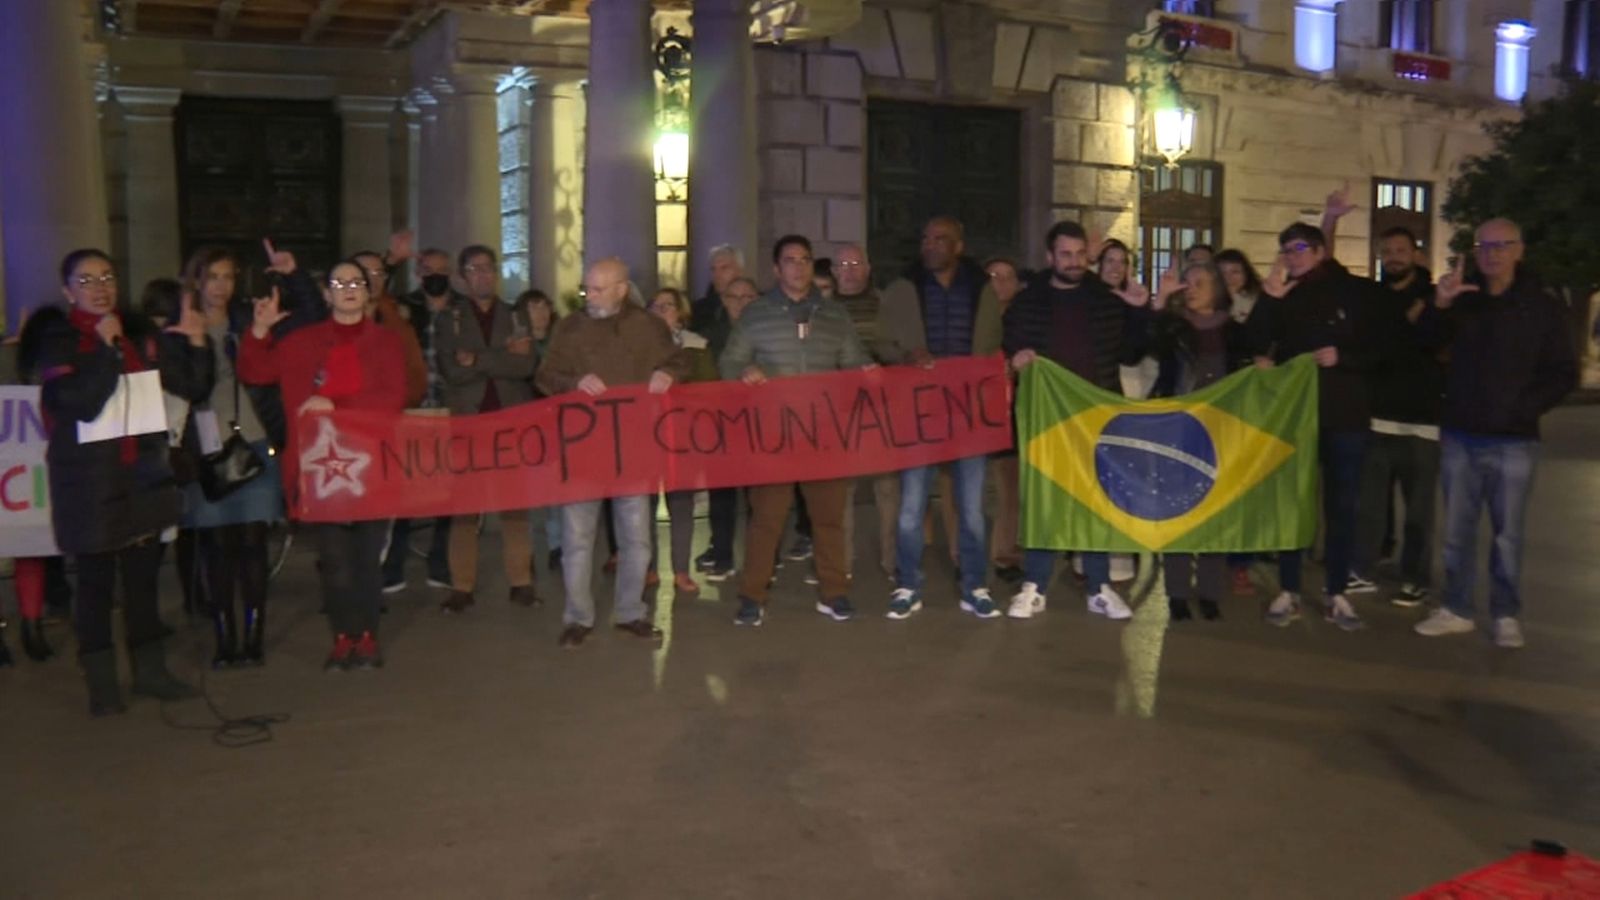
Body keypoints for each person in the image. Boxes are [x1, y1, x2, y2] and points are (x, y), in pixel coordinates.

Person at [29, 248, 213, 715]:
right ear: (69, 290)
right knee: (93, 588)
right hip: (88, 485)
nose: (99, 287)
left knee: (143, 583)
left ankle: (151, 673)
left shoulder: (140, 335)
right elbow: (81, 401)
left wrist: (196, 343)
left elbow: (192, 387)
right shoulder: (58, 339)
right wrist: (110, 351)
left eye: (107, 277)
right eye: (86, 280)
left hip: (143, 479)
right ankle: (103, 685)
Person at [1413, 219, 1578, 648]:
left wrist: (1523, 407)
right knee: (1456, 532)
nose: (1493, 253)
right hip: (1462, 434)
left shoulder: (1542, 308)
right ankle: (1457, 607)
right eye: (1485, 245)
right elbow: (1426, 345)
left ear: (1519, 250)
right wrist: (1441, 305)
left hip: (1514, 439)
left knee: (1507, 535)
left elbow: (1564, 372)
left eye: (1502, 245)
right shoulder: (1465, 299)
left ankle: (1506, 613)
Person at [239, 258, 408, 670]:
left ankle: (366, 636)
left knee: (366, 558)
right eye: (339, 282)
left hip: (371, 466)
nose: (349, 288)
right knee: (334, 561)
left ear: (368, 292)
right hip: (320, 470)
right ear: (327, 293)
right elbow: (256, 371)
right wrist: (259, 331)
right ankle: (342, 636)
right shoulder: (302, 341)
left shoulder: (385, 342)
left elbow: (394, 397)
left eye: (357, 282)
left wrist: (338, 404)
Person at [1004, 221, 1155, 621]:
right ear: (1050, 257)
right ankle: (1034, 585)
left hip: (1098, 417)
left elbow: (1130, 354)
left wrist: (1140, 314)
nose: (1074, 262)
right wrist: (1016, 358)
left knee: (1096, 501)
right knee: (1043, 500)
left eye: (1079, 255)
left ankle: (1099, 586)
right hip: (1047, 419)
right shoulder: (1028, 302)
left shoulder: (1105, 300)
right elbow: (1011, 344)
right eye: (1066, 254)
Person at [721, 235, 874, 626]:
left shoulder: (834, 316)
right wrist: (744, 371)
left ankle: (834, 592)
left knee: (828, 519)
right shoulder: (756, 315)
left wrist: (867, 371)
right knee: (766, 520)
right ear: (776, 269)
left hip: (823, 434)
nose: (799, 267)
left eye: (805, 260)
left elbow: (854, 361)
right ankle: (752, 596)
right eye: (790, 260)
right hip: (773, 436)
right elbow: (729, 361)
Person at [537, 258, 688, 648]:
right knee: (577, 538)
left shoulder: (648, 327)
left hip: (633, 449)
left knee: (636, 536)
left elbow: (680, 360)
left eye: (600, 289)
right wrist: (573, 381)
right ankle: (577, 616)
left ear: (623, 289)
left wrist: (668, 374)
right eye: (588, 289)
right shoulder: (569, 328)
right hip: (582, 449)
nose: (591, 296)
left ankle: (631, 611)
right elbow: (544, 376)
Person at [1252, 223, 1384, 632]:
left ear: (1321, 250)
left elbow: (1382, 351)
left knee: (1342, 507)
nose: (1293, 256)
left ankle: (1336, 591)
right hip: (1296, 418)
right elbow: (1254, 341)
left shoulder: (1355, 292)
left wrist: (1342, 357)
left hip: (1345, 417)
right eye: (1286, 249)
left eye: (1301, 248)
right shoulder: (1282, 294)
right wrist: (1267, 303)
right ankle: (1289, 589)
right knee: (1293, 504)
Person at [877, 216, 1004, 619]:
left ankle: (975, 585)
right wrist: (905, 355)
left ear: (958, 246)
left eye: (940, 239)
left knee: (970, 508)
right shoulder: (902, 288)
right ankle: (908, 584)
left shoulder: (981, 290)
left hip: (970, 413)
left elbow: (994, 344)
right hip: (921, 412)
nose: (930, 245)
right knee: (913, 505)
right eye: (926, 238)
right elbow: (881, 341)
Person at [179, 247, 285, 668]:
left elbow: (269, 370)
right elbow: (188, 386)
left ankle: (254, 634)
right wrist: (195, 341)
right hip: (207, 449)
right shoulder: (181, 328)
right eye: (213, 277)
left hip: (255, 444)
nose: (221, 286)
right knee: (218, 548)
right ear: (197, 282)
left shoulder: (247, 321)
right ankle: (224, 637)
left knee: (253, 543)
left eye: (228, 277)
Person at [433, 245, 541, 612]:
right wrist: (500, 358)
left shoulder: (514, 315)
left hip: (510, 420)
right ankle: (462, 586)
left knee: (515, 508)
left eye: (488, 268)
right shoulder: (450, 320)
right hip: (468, 423)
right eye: (474, 269)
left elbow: (525, 366)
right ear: (462, 277)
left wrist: (478, 358)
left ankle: (521, 582)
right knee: (465, 509)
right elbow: (452, 371)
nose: (483, 275)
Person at [1149, 262, 1253, 621]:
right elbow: (1148, 343)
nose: (1191, 289)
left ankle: (1210, 591)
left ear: (1218, 289)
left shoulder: (1236, 332)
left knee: (1216, 512)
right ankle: (1177, 591)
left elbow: (1252, 369)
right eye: (1187, 283)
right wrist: (1161, 302)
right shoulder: (1176, 328)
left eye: (1200, 283)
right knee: (1180, 511)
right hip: (1178, 431)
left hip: (1223, 433)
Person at [1347, 227, 1442, 606]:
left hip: (1423, 420)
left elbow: (1434, 344)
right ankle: (1365, 569)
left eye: (1401, 250)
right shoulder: (1375, 297)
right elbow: (1378, 347)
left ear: (1415, 253)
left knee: (1419, 508)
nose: (1394, 257)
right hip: (1378, 417)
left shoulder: (1435, 297)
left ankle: (1414, 577)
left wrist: (1417, 322)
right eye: (1387, 251)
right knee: (1370, 506)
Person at [381, 246, 456, 593]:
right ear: (418, 274)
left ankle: (440, 563)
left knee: (449, 495)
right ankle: (393, 566)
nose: (435, 277)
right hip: (409, 412)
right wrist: (389, 259)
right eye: (429, 271)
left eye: (442, 270)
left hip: (450, 411)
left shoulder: (461, 309)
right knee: (402, 492)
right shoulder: (402, 307)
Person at [834, 243, 903, 580]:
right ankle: (843, 563)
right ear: (834, 271)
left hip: (882, 410)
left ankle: (892, 561)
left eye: (856, 263)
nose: (849, 269)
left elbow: (900, 347)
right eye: (843, 263)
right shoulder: (824, 310)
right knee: (841, 490)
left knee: (888, 489)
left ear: (867, 267)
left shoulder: (886, 305)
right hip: (840, 412)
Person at [646, 287, 718, 596]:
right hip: (646, 435)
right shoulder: (637, 347)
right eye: (656, 306)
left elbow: (710, 386)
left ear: (681, 312)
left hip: (684, 436)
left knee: (681, 504)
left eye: (668, 306)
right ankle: (648, 567)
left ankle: (680, 570)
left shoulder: (697, 345)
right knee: (643, 504)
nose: (662, 311)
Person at [693, 274, 760, 583]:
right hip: (719, 426)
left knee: (759, 498)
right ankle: (722, 554)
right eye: (734, 298)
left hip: (759, 426)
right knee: (721, 496)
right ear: (724, 301)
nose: (741, 304)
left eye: (748, 297)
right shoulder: (708, 336)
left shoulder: (767, 335)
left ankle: (761, 560)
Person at [1214, 248, 1268, 597]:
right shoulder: (1211, 313)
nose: (1231, 279)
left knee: (1244, 489)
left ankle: (1240, 565)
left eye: (1236, 271)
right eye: (1223, 274)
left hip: (1252, 408)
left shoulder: (1262, 308)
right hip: (1216, 408)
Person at [984, 257, 1026, 582]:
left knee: (1009, 488)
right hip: (973, 414)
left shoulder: (1024, 321)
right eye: (993, 276)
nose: (1000, 282)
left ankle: (1006, 554)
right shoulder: (974, 319)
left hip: (1013, 415)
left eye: (1006, 276)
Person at [352, 249, 427, 408]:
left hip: (390, 417)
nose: (373, 279)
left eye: (379, 273)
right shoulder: (332, 325)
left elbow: (416, 375)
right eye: (365, 272)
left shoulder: (397, 325)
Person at [525, 289, 565, 572]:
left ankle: (556, 545)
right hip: (525, 423)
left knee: (556, 492)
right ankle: (524, 552)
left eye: (543, 306)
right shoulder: (517, 343)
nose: (539, 313)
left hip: (557, 423)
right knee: (526, 490)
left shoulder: (561, 343)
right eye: (532, 307)